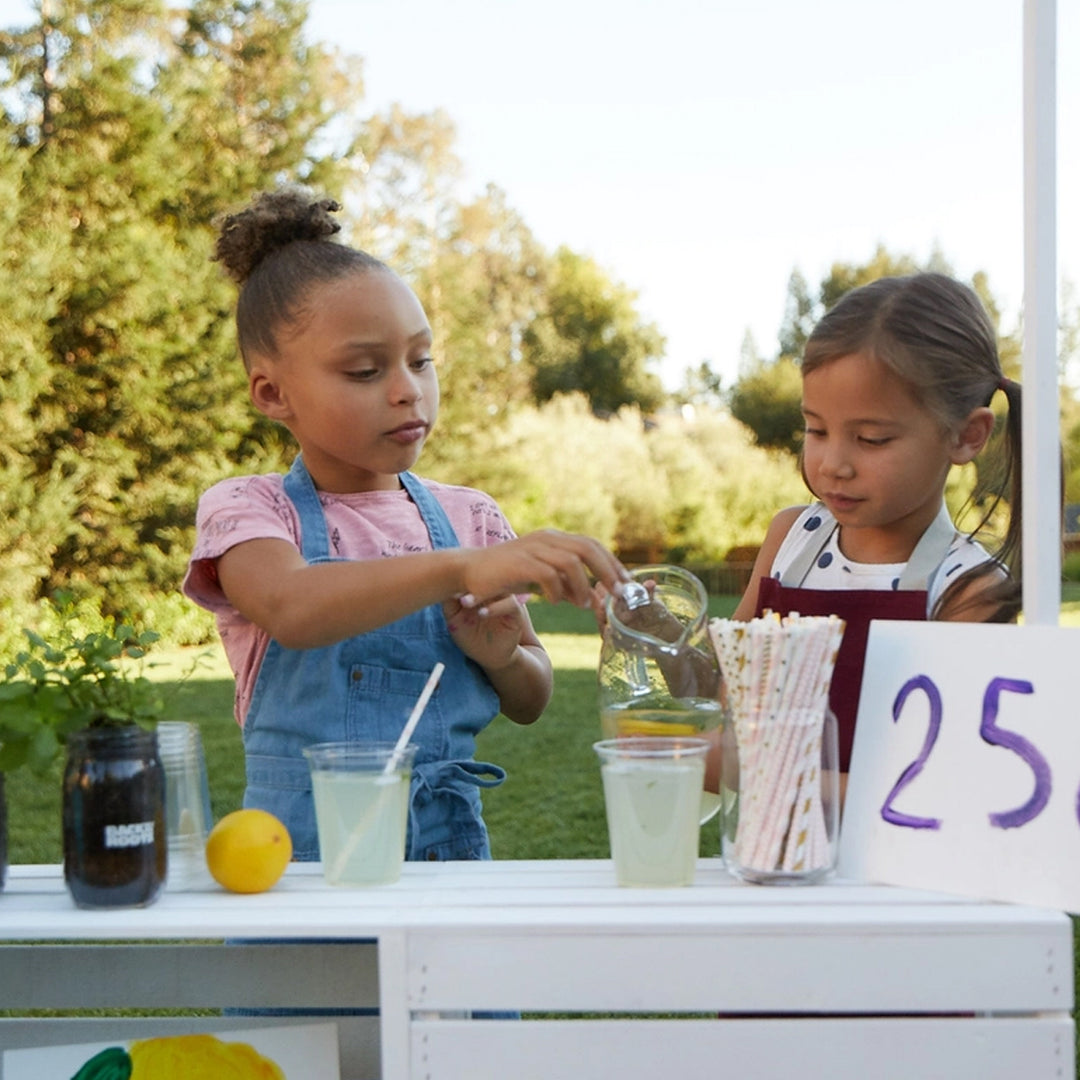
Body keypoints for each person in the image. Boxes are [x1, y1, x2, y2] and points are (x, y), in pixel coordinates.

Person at [183, 186, 630, 864]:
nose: (406, 389)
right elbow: (293, 608)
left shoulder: (468, 517)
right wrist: (458, 571)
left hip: (447, 855)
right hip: (302, 861)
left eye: (421, 360)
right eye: (365, 370)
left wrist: (502, 656)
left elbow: (532, 697)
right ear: (273, 393)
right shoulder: (249, 510)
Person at [727, 271, 1023, 778]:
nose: (833, 463)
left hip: (905, 859)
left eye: (871, 439)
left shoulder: (968, 593)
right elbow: (724, 685)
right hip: (767, 857)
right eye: (815, 429)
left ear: (966, 436)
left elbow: (939, 788)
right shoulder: (789, 541)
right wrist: (658, 639)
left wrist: (751, 771)